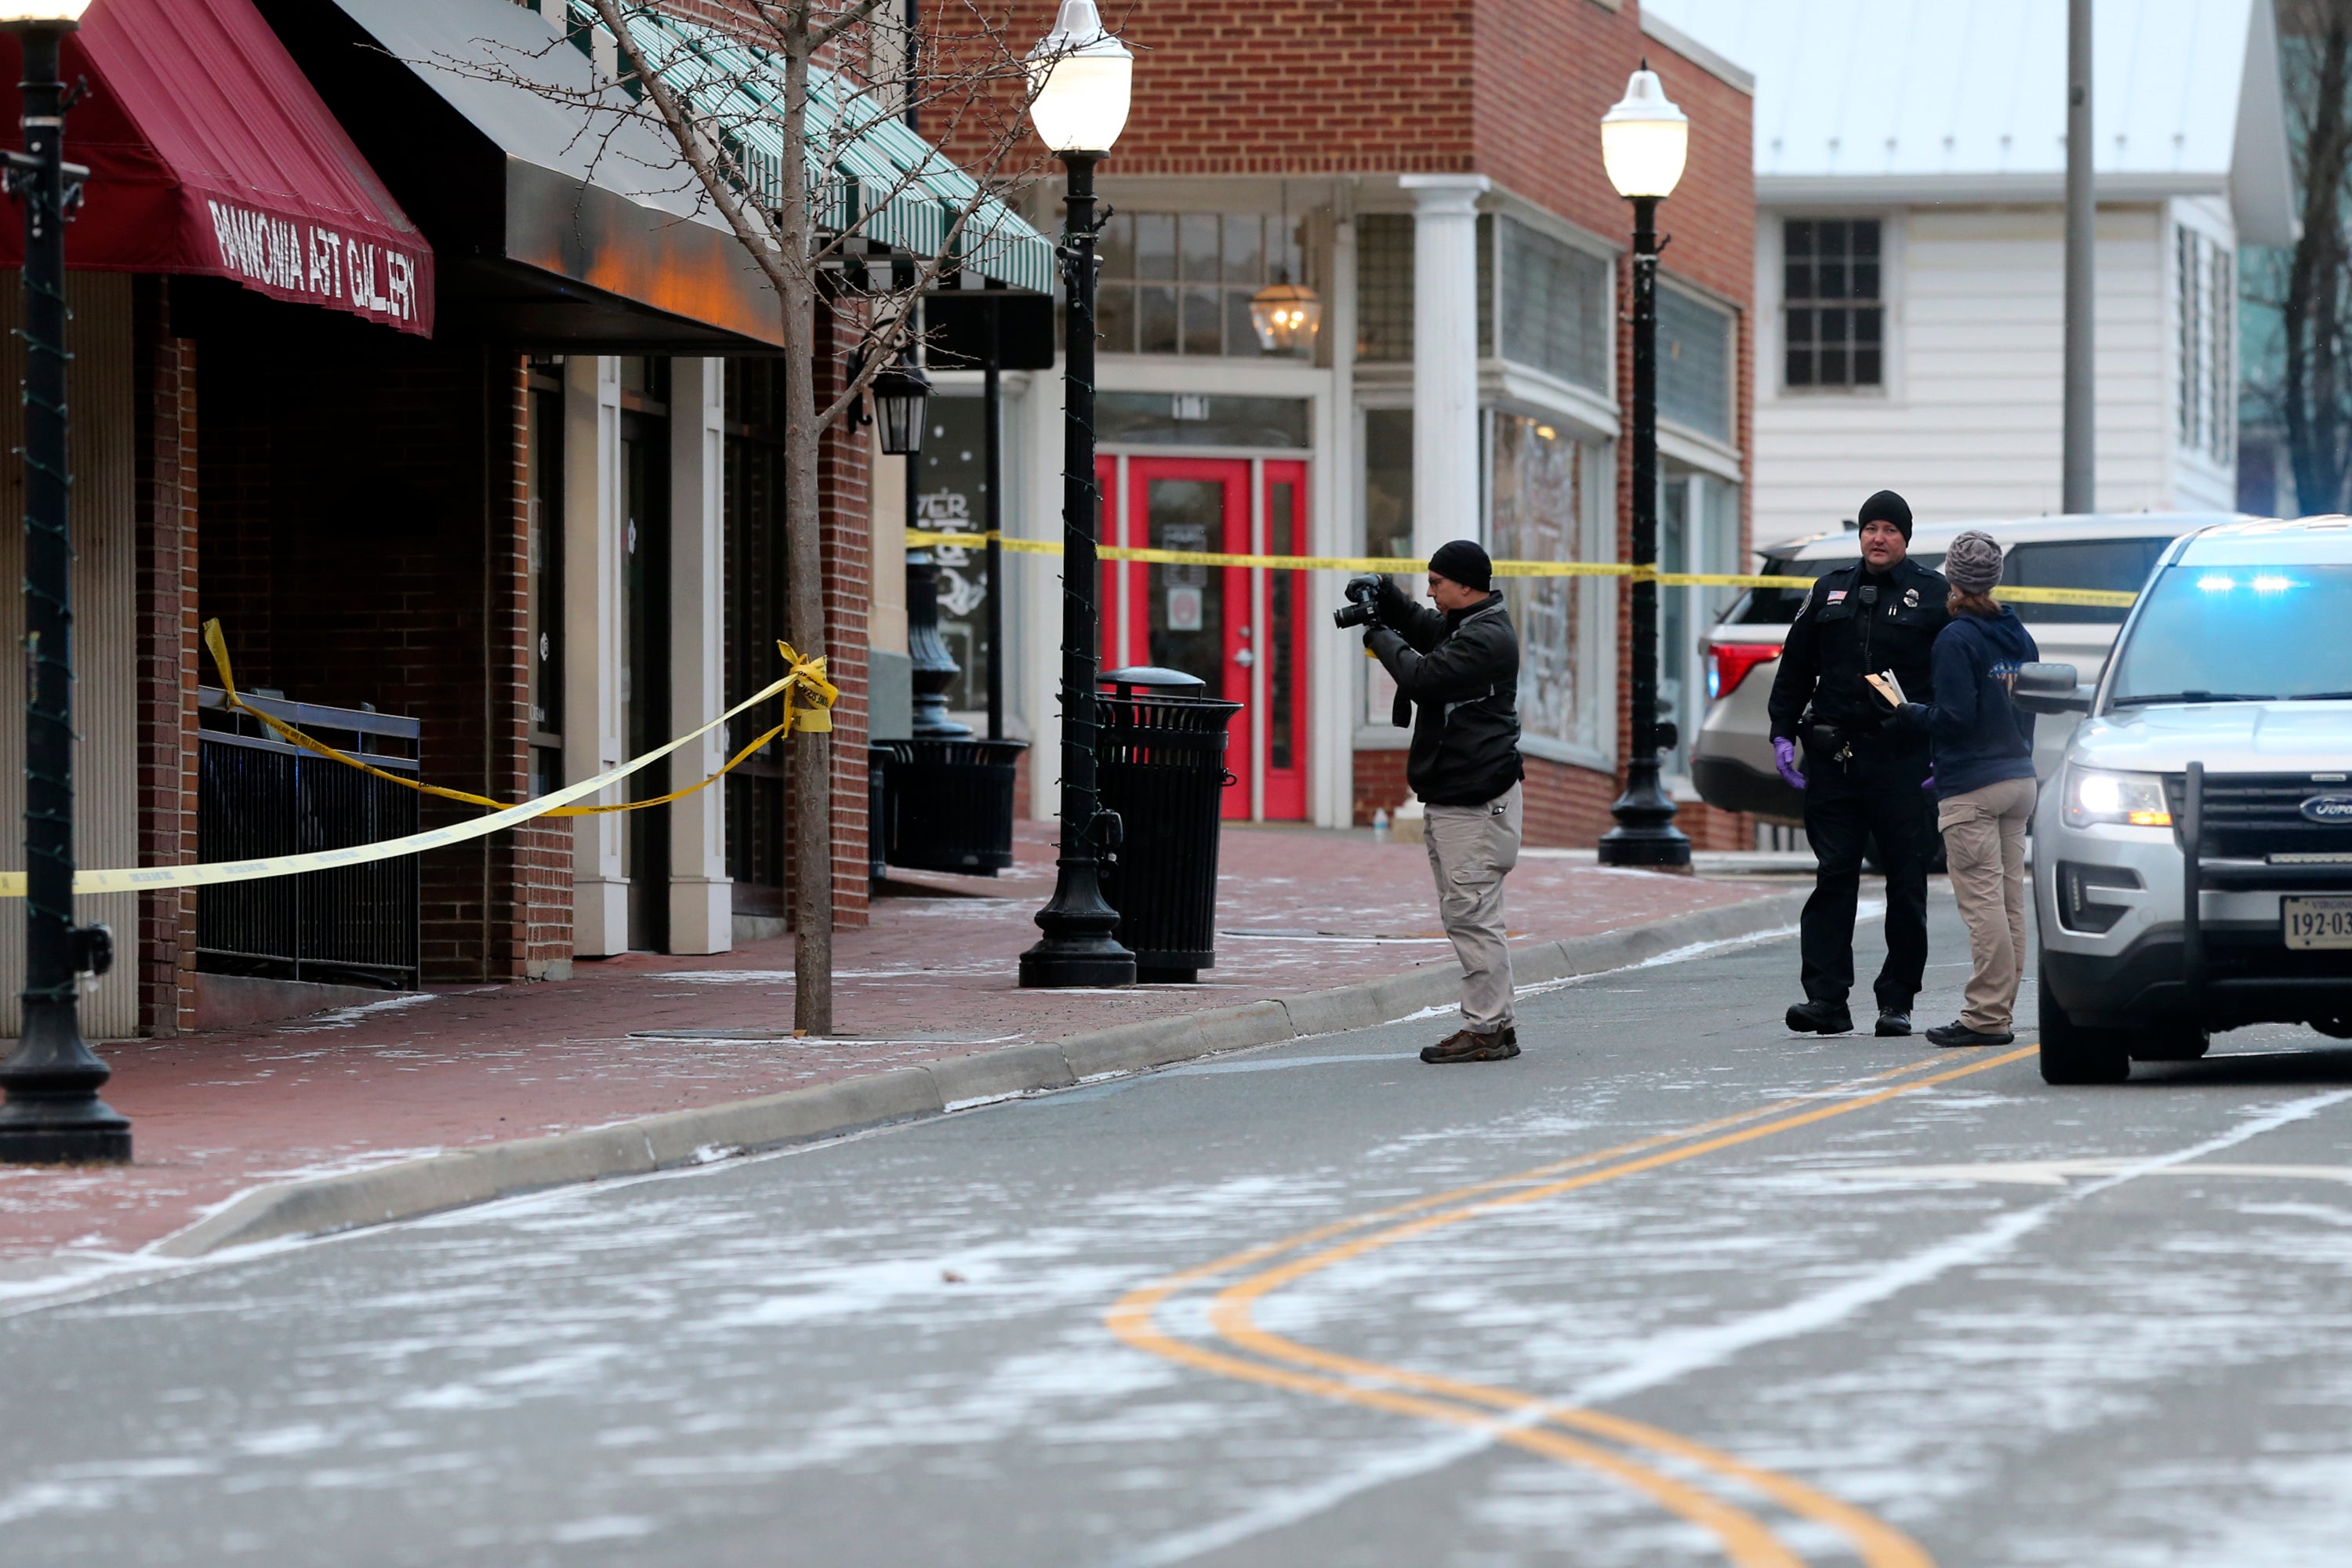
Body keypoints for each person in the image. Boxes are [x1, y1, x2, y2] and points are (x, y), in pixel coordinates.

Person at [1766, 489, 1951, 1037]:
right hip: (1835, 761)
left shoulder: (1933, 595)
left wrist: (1943, 749)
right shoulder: (1830, 589)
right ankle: (1826, 1000)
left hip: (1902, 762)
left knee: (1906, 884)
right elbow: (1796, 665)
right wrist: (1781, 732)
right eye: (1871, 527)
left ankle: (1898, 1001)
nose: (1878, 537)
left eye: (1889, 529)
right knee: (1833, 879)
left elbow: (1951, 680)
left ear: (1906, 538)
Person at [1360, 540, 1526, 1065]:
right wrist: (1387, 597)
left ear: (1465, 585)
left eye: (1436, 583)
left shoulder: (1488, 639)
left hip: (1475, 800)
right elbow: (1426, 631)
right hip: (1461, 795)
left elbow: (1423, 678)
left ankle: (1488, 1029)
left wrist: (1377, 633)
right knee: (1470, 911)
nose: (1430, 591)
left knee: (1471, 913)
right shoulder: (1470, 624)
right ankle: (1494, 1023)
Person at [1885, 531, 2038, 1047]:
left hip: (1972, 785)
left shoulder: (1957, 638)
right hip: (2019, 779)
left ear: (1952, 578)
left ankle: (1986, 1016)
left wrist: (1907, 713)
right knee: (2009, 901)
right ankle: (2000, 1008)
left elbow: (1954, 717)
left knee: (1983, 904)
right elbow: (2029, 704)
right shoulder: (2016, 634)